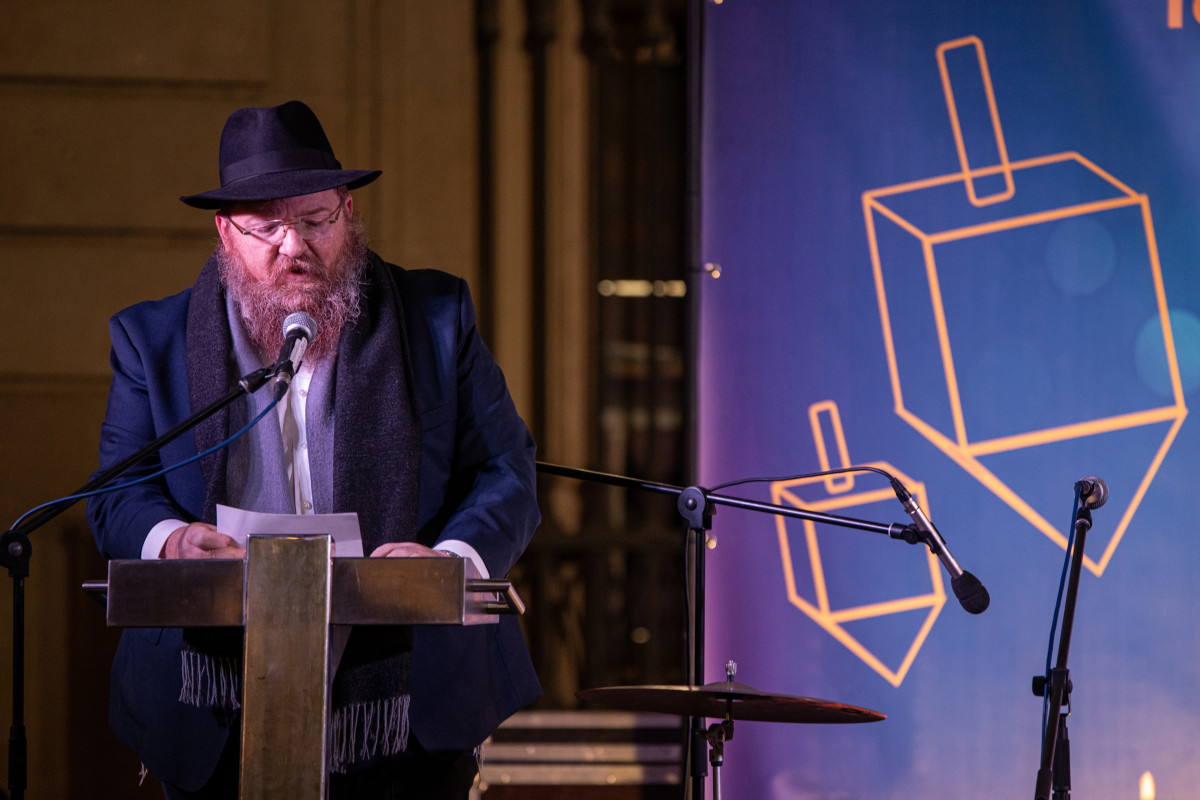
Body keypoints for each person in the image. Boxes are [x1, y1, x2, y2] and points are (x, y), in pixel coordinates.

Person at [86, 100, 542, 799]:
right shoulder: (151, 341)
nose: (292, 245)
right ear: (224, 233)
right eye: (266, 225)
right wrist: (171, 539)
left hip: (411, 698)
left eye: (313, 219)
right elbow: (119, 491)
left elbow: (507, 470)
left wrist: (446, 567)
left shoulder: (438, 318)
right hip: (209, 701)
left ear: (347, 214)